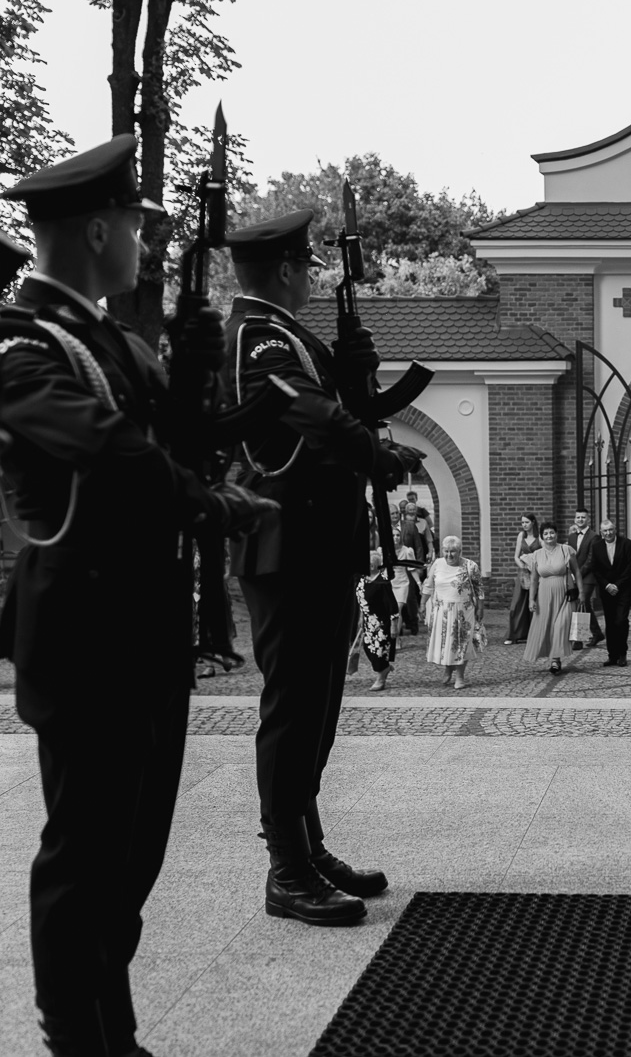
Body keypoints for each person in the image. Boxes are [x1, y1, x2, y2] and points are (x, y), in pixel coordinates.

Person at [0, 135, 277, 1057]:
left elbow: (174, 442)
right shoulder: (21, 343)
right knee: (84, 850)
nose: (146, 247)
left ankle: (114, 1030)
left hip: (145, 625)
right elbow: (111, 452)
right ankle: (77, 1038)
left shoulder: (110, 338)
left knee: (132, 851)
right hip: (81, 631)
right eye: (136, 229)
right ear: (97, 230)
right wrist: (209, 501)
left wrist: (194, 377)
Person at [226, 208, 427, 928]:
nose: (311, 275)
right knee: (293, 709)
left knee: (317, 707)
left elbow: (332, 398)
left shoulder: (287, 334)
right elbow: (309, 415)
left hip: (317, 547)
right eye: (305, 265)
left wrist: (355, 370)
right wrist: (378, 453)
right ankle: (286, 869)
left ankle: (307, 849)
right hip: (286, 549)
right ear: (284, 269)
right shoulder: (257, 337)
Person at [520, 521, 581, 674]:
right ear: (541, 536)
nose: (549, 536)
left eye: (552, 532)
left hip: (565, 595)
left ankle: (556, 659)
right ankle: (553, 658)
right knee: (547, 627)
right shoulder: (537, 555)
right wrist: (531, 600)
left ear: (557, 534)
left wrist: (582, 593)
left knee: (560, 626)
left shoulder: (566, 550)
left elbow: (577, 572)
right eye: (546, 533)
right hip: (544, 596)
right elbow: (534, 580)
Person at [423, 536, 482, 690]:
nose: (449, 555)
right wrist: (422, 604)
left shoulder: (470, 566)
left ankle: (460, 677)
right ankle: (448, 668)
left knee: (462, 643)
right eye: (446, 551)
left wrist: (480, 608)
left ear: (460, 551)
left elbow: (479, 589)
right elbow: (429, 585)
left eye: (453, 551)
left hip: (463, 611)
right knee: (446, 644)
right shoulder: (437, 564)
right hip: (442, 611)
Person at [590, 519, 631, 666]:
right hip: (606, 591)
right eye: (605, 531)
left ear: (615, 529)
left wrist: (617, 585)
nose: (608, 533)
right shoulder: (596, 547)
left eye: (610, 529)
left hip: (623, 589)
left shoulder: (627, 544)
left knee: (621, 620)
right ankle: (612, 655)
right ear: (601, 532)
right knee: (610, 623)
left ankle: (622, 653)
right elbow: (595, 569)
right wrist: (607, 585)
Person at [356, 550, 399, 691]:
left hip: (381, 623)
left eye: (369, 563)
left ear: (375, 565)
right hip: (368, 621)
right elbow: (361, 600)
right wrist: (361, 617)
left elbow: (392, 605)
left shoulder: (382, 582)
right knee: (368, 648)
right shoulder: (362, 579)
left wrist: (394, 625)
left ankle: (381, 677)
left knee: (380, 651)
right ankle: (384, 667)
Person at [568, 509, 605, 649]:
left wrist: (577, 574)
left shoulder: (594, 537)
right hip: (573, 575)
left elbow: (591, 560)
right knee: (583, 605)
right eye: (578, 517)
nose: (580, 520)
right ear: (575, 519)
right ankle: (597, 633)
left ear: (588, 519)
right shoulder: (571, 537)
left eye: (583, 517)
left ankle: (578, 639)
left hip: (588, 577)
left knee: (581, 602)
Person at [506, 513, 540, 644]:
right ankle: (514, 634)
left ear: (533, 522)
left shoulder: (539, 537)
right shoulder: (521, 535)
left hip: (536, 572)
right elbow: (516, 556)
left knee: (534, 602)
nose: (524, 525)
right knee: (518, 603)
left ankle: (534, 633)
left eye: (527, 522)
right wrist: (523, 567)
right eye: (522, 522)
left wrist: (534, 567)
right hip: (523, 572)